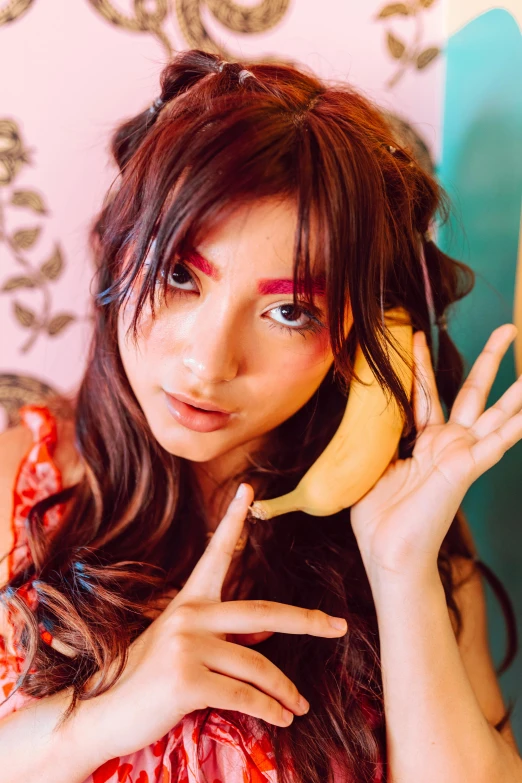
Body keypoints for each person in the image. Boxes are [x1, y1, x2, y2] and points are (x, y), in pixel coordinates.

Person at [0, 48, 520, 783]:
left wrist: (400, 574)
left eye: (289, 311)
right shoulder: (19, 484)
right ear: (120, 255)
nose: (209, 363)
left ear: (365, 342)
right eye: (181, 274)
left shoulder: (412, 541)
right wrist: (102, 715)